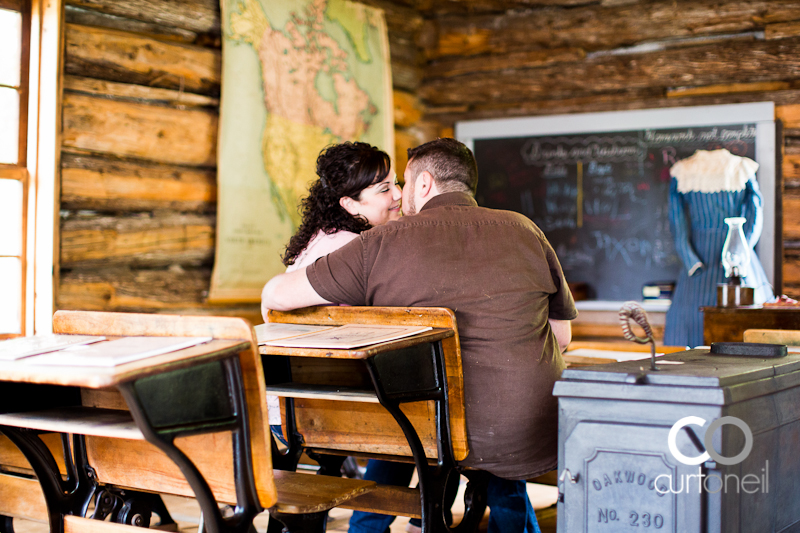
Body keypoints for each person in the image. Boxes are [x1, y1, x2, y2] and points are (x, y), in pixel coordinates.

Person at [262, 138, 577, 533]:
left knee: (417, 423)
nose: (399, 196)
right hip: (532, 432)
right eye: (388, 188)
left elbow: (276, 294)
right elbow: (561, 337)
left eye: (403, 183)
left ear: (424, 184)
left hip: (422, 431)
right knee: (480, 443)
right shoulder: (526, 230)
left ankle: (390, 524)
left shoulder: (380, 245)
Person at [263, 140, 401, 444]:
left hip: (291, 404)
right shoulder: (352, 250)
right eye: (384, 189)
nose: (399, 194)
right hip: (320, 409)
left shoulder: (325, 237)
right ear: (350, 205)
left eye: (396, 183)